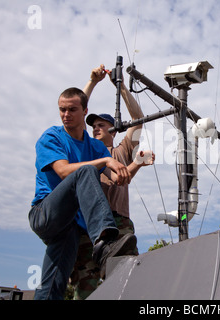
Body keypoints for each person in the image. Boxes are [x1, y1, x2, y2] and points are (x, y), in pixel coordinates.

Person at [29, 87, 141, 300]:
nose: (65, 115)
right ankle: (106, 242)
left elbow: (117, 179)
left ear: (84, 110)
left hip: (71, 226)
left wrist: (133, 166)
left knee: (54, 282)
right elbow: (63, 171)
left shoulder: (96, 147)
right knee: (86, 171)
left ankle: (105, 244)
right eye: (62, 110)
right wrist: (106, 160)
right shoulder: (52, 136)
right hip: (46, 213)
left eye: (71, 110)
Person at [69, 65, 153, 300]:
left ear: (113, 130)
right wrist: (91, 81)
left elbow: (138, 119)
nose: (95, 127)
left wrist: (122, 86)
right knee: (85, 284)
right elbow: (75, 117)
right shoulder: (85, 149)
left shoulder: (122, 150)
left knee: (127, 277)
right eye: (93, 125)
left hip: (119, 220)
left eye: (101, 125)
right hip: (89, 224)